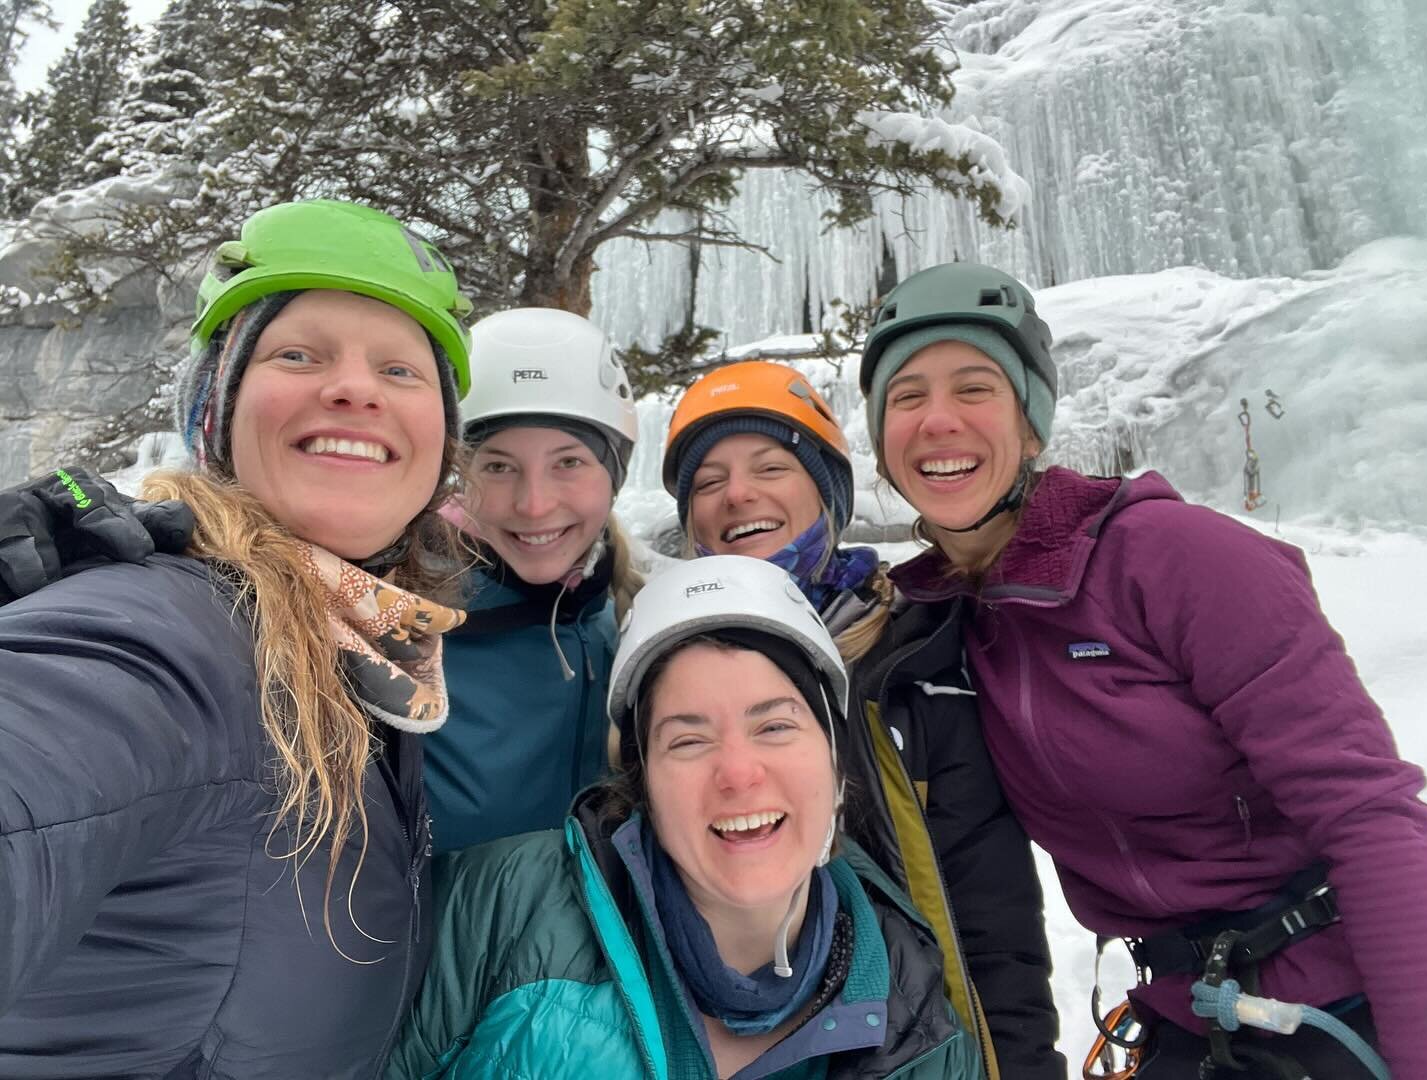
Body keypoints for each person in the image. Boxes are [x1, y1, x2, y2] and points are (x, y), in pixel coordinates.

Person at [860, 260, 1427, 1079]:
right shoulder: (943, 624)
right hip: (1191, 1024)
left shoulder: (1173, 557)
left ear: (1031, 423)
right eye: (906, 397)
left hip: (1345, 1010)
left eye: (975, 387)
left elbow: (1374, 818)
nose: (937, 421)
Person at [0, 198, 475, 1077]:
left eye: (403, 372)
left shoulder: (358, 647)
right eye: (298, 354)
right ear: (215, 412)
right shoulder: (171, 635)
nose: (357, 389)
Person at [385, 556, 984, 1080]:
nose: (738, 773)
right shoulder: (497, 909)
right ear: (643, 783)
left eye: (774, 726)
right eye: (688, 740)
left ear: (836, 762)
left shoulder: (916, 1024)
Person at [665, 363, 1064, 1079]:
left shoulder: (922, 663)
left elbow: (991, 921)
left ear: (826, 491)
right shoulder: (659, 681)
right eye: (706, 481)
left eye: (770, 466)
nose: (737, 494)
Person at [426, 306, 643, 851]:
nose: (534, 504)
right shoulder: (398, 624)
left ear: (612, 476)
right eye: (497, 466)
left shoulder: (626, 613)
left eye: (568, 462)